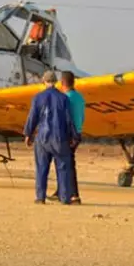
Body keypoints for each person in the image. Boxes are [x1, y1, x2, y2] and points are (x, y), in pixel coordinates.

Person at [23, 70, 79, 204]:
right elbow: (68, 119)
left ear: (44, 81)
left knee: (41, 168)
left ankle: (40, 197)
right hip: (60, 138)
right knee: (63, 168)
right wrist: (74, 136)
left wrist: (27, 134)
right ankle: (65, 198)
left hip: (42, 138)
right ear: (56, 82)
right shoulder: (64, 98)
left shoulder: (37, 98)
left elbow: (32, 118)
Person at [49, 70, 85, 203]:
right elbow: (82, 117)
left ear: (62, 82)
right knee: (64, 163)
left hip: (69, 134)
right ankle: (60, 191)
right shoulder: (80, 97)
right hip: (78, 132)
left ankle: (74, 195)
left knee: (67, 164)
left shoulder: (65, 98)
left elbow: (65, 118)